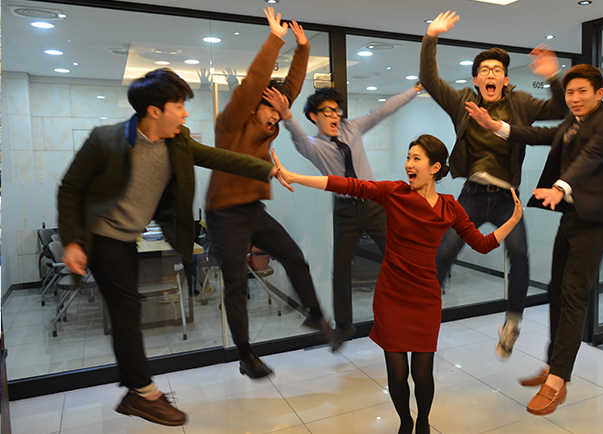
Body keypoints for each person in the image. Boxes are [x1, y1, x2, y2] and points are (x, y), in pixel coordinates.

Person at [57, 68, 289, 426]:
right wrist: (72, 240)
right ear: (154, 110)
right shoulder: (105, 141)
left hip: (129, 238)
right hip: (102, 235)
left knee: (127, 309)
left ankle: (136, 391)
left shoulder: (177, 141)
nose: (184, 113)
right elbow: (70, 189)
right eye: (178, 106)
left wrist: (266, 170)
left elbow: (217, 157)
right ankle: (143, 392)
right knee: (127, 308)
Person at [270, 134, 522, 434]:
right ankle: (405, 422)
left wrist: (512, 220)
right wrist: (295, 177)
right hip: (391, 296)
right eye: (407, 157)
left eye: (416, 159)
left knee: (423, 374)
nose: (408, 164)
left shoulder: (450, 207)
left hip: (426, 299)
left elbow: (481, 243)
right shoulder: (394, 193)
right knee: (398, 373)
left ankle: (423, 422)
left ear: (435, 167)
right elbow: (347, 185)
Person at [467, 64, 603, 415]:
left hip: (598, 219)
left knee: (573, 294)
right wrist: (495, 126)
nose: (574, 98)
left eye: (582, 91)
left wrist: (560, 186)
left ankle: (558, 380)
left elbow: (591, 157)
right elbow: (539, 134)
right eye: (569, 92)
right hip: (573, 215)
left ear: (599, 93)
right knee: (556, 290)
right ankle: (553, 365)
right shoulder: (573, 122)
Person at [419, 11, 568, 359]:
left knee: (520, 257)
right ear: (476, 79)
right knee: (443, 253)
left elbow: (560, 109)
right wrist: (431, 36)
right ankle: (424, 314)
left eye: (497, 70)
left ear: (505, 79)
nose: (491, 74)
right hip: (471, 195)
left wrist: (553, 76)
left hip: (506, 199)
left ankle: (511, 324)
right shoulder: (462, 102)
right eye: (485, 70)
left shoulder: (521, 103)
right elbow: (429, 80)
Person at [204, 7, 333, 380]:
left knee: (294, 256)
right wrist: (276, 39)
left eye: (280, 112)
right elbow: (252, 85)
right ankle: (246, 355)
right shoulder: (231, 122)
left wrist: (303, 47)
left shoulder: (269, 121)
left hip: (252, 209)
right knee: (236, 283)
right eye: (271, 109)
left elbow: (289, 89)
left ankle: (315, 314)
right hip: (224, 212)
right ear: (255, 104)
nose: (277, 117)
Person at [267, 84, 422, 349]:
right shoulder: (314, 146)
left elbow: (383, 110)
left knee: (397, 257)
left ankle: (413, 310)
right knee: (340, 269)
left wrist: (415, 89)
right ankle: (344, 326)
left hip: (374, 204)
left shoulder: (352, 128)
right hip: (346, 210)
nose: (334, 115)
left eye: (337, 110)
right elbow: (298, 136)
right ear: (314, 116)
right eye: (327, 111)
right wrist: (286, 114)